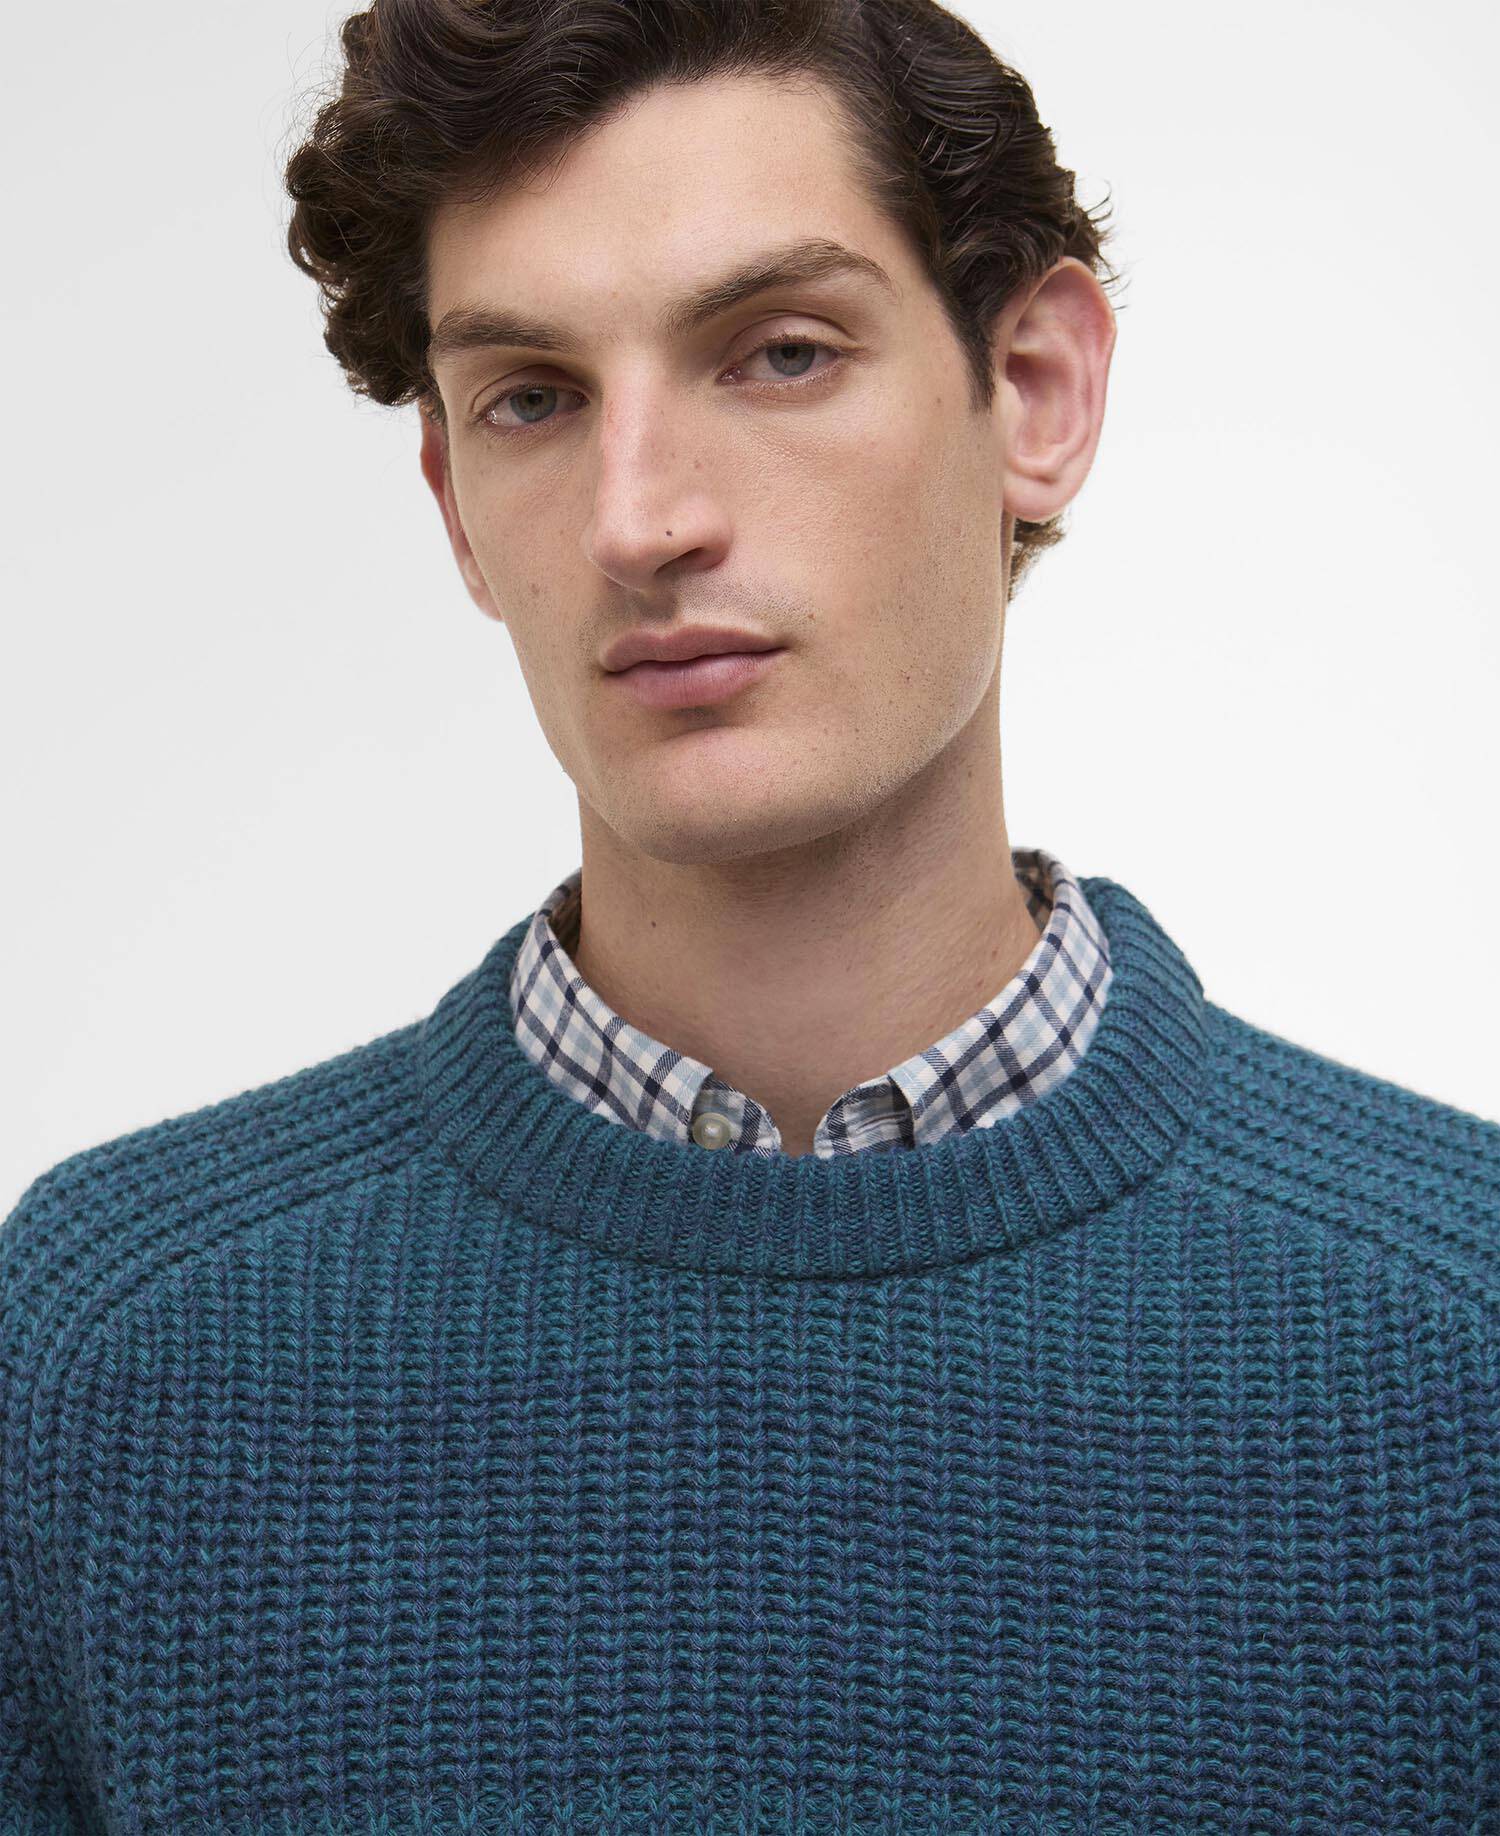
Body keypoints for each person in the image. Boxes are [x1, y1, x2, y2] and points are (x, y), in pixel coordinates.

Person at [3, 0, 1497, 1826]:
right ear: (458, 506)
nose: (640, 520)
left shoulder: (1459, 1337)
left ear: (1035, 393)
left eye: (780, 354)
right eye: (534, 397)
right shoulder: (120, 1353)